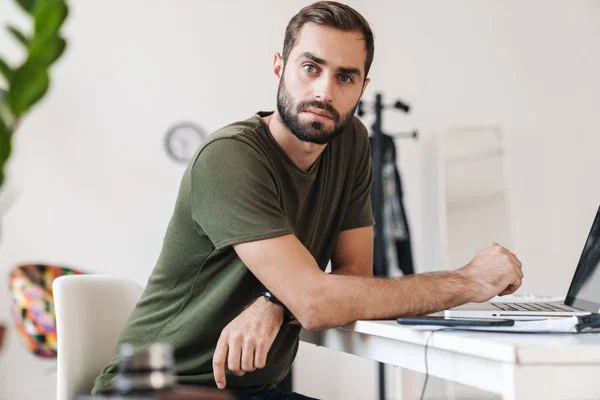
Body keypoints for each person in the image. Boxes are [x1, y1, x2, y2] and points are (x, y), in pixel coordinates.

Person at [92, 2, 523, 399]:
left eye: (345, 77)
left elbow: (355, 275)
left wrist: (275, 302)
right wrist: (469, 281)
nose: (324, 91)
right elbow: (319, 304)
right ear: (279, 67)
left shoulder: (351, 142)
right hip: (162, 388)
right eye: (310, 67)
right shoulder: (229, 157)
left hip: (255, 392)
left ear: (362, 87)